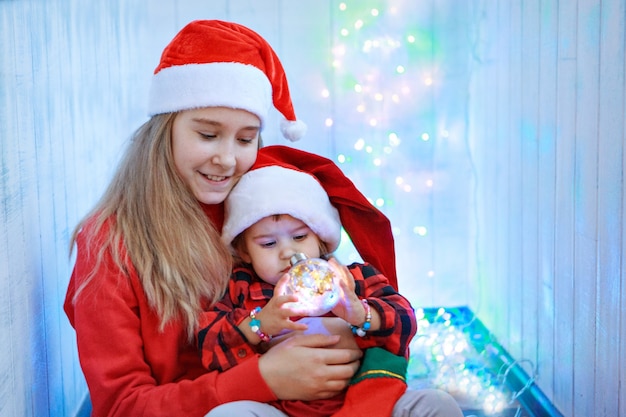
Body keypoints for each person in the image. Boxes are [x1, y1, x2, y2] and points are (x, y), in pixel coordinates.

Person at [63, 19, 462, 417]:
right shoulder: (109, 244)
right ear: (164, 130)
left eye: (245, 138)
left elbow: (381, 307)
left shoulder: (259, 203)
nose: (227, 158)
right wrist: (266, 377)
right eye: (207, 135)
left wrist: (357, 325)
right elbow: (122, 405)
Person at [199, 145, 464, 417]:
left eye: (300, 237)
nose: (287, 252)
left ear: (321, 239)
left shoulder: (352, 278)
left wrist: (360, 313)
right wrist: (260, 324)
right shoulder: (241, 288)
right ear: (244, 252)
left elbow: (405, 322)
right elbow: (209, 348)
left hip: (368, 402)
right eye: (268, 243)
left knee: (437, 405)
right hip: (282, 409)